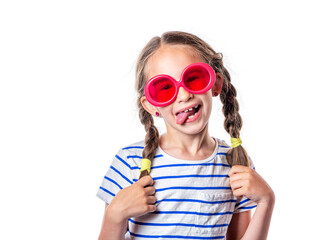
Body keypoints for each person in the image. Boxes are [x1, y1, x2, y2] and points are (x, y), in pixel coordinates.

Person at [97, 31, 275, 240]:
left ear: (215, 85)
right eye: (164, 88)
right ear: (151, 105)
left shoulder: (235, 163)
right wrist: (115, 215)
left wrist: (266, 202)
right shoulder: (130, 161)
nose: (184, 95)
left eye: (194, 79)